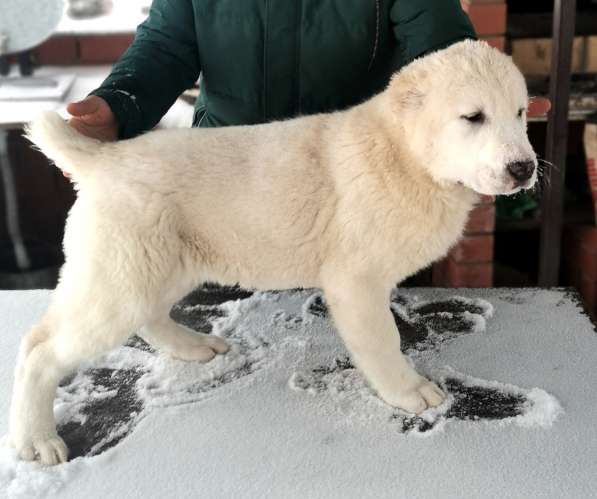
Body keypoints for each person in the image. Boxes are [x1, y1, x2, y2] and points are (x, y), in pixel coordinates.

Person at [67, 0, 550, 142]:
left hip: (360, 186)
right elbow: (166, 45)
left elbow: (442, 52)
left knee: (360, 349)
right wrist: (119, 104)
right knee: (230, 341)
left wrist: (483, 109)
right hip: (226, 181)